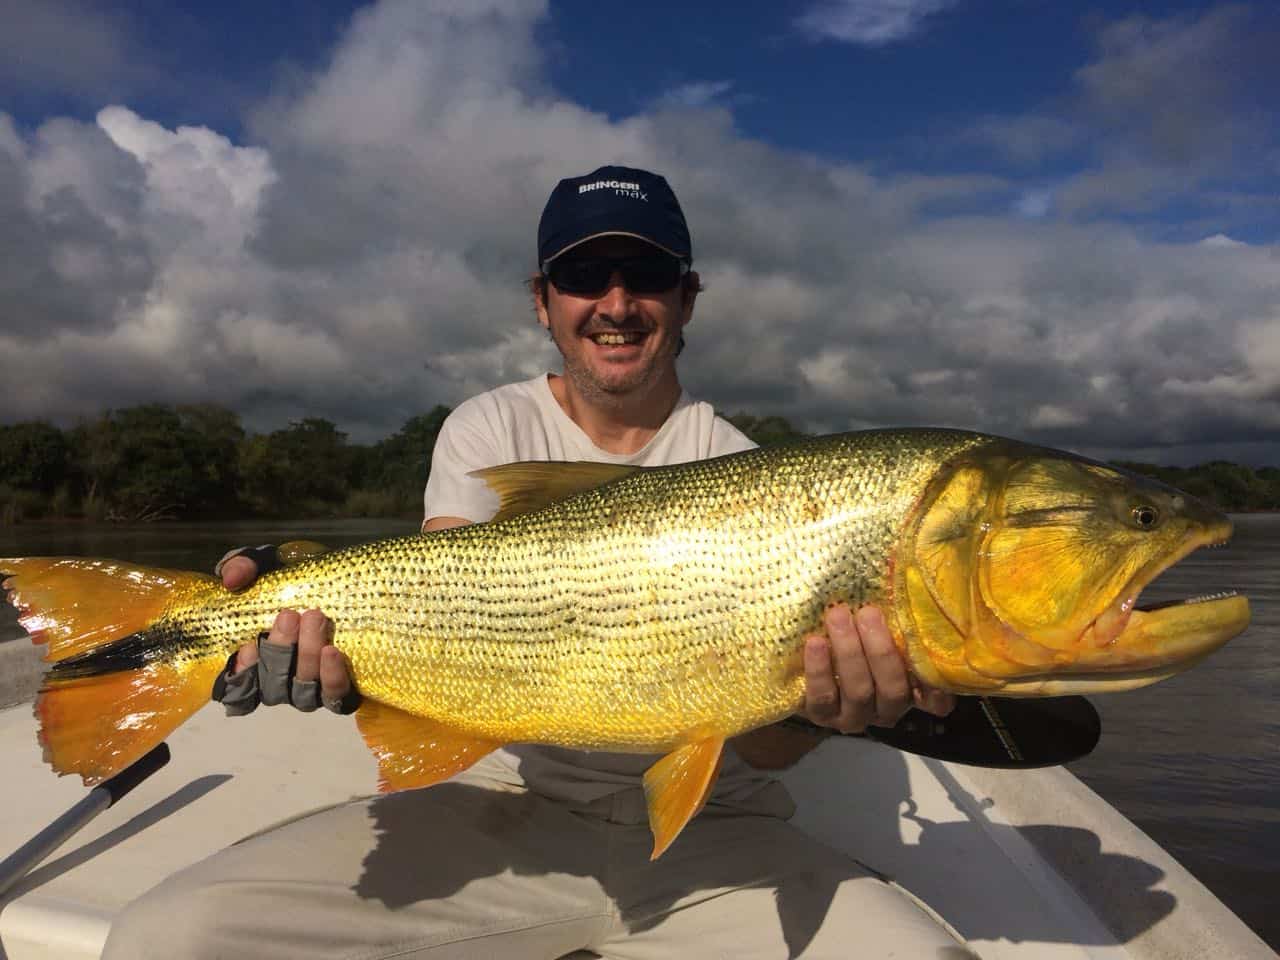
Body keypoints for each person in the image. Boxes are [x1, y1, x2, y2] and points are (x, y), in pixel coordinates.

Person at [103, 166, 967, 959]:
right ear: (543, 300)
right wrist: (292, 588)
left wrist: (823, 709)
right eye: (586, 278)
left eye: (647, 276)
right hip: (503, 803)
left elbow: (770, 754)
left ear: (689, 297)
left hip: (714, 830)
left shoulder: (758, 477)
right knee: (167, 938)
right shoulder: (486, 427)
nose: (616, 303)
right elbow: (440, 585)